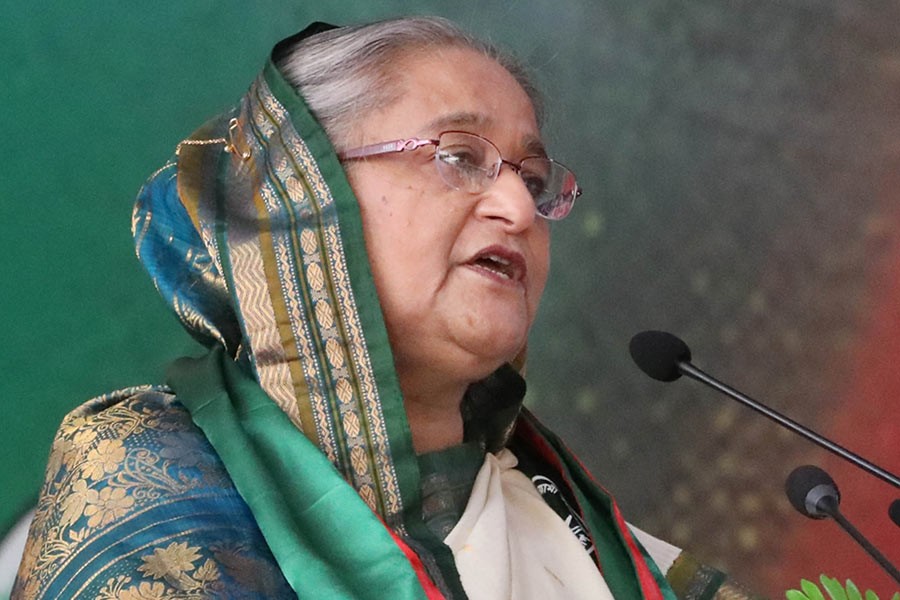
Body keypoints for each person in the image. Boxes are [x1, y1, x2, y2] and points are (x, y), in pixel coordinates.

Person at [14, 17, 755, 600]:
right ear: (304, 199)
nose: (515, 208)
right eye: (460, 155)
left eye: (532, 179)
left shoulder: (594, 540)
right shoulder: (148, 478)